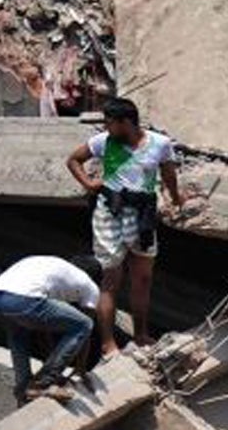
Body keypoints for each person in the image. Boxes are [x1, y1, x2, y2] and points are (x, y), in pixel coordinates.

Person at [66, 97, 182, 354]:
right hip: (110, 213)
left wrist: (176, 199)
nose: (107, 128)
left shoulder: (160, 144)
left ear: (126, 122)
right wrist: (88, 183)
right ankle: (109, 345)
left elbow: (169, 175)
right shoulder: (103, 142)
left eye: (110, 123)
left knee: (142, 279)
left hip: (143, 216)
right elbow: (73, 160)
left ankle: (141, 335)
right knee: (110, 280)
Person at [0, 253, 101, 404]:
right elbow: (85, 331)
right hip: (21, 300)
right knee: (84, 324)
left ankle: (24, 388)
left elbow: (44, 327)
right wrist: (81, 368)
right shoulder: (90, 286)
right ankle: (43, 383)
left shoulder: (54, 268)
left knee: (19, 334)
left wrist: (50, 359)